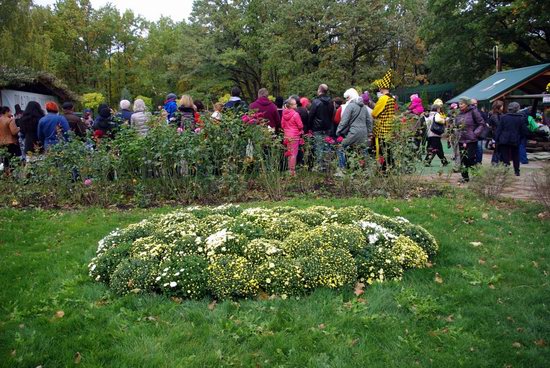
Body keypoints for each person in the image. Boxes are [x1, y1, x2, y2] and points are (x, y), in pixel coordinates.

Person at [335, 88, 372, 174]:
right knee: (363, 150)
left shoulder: (350, 106)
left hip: (353, 133)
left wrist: (338, 131)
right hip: (363, 133)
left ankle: (342, 170)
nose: (346, 99)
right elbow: (369, 121)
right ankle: (365, 170)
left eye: (347, 97)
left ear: (350, 97)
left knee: (341, 148)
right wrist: (369, 132)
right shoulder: (364, 107)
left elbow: (344, 121)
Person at [372, 69, 397, 170]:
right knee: (388, 149)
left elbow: (374, 113)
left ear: (382, 87)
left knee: (381, 149)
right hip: (389, 127)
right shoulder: (392, 98)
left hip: (381, 128)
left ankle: (383, 169)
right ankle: (391, 167)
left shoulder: (383, 98)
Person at [455, 96, 485, 182]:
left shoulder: (473, 111)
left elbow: (481, 123)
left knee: (470, 158)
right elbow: (456, 125)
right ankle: (465, 178)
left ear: (467, 104)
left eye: (462, 103)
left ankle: (476, 175)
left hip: (471, 139)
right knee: (463, 159)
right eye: (459, 104)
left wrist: (475, 133)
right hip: (461, 139)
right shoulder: (459, 113)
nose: (460, 105)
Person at [494, 102, 529, 176]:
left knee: (505, 156)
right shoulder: (521, 118)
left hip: (503, 139)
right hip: (515, 139)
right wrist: (521, 137)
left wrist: (496, 140)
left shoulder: (503, 117)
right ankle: (517, 171)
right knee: (515, 156)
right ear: (517, 109)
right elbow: (524, 130)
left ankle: (505, 171)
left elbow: (499, 130)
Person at [307, 84, 334, 171]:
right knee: (327, 147)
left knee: (318, 147)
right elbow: (332, 114)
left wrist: (309, 127)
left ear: (319, 90)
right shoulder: (331, 102)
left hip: (317, 128)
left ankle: (319, 166)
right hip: (327, 127)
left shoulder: (316, 102)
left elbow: (311, 116)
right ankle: (327, 165)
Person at [281, 98, 303, 176]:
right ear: (291, 105)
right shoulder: (295, 114)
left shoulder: (284, 113)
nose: (296, 105)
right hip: (294, 135)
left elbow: (282, 125)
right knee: (294, 153)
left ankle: (289, 169)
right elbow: (300, 125)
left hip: (287, 135)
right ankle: (292, 171)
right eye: (295, 104)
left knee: (289, 153)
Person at [0, 106, 21, 174]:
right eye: (10, 111)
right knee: (14, 160)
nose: (11, 113)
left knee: (5, 161)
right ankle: (14, 175)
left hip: (1, 143)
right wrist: (19, 128)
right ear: (6, 111)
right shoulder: (10, 120)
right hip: (11, 142)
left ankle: (7, 175)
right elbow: (13, 132)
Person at [471, 98, 489, 164]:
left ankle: (478, 162)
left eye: (475, 104)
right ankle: (473, 161)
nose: (474, 105)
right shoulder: (468, 113)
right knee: (472, 148)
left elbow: (486, 124)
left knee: (479, 148)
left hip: (478, 134)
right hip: (470, 133)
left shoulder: (481, 113)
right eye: (472, 104)